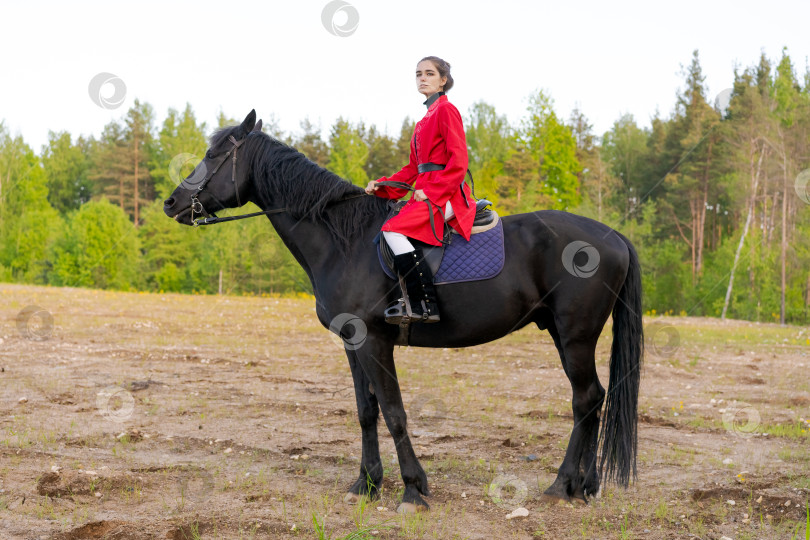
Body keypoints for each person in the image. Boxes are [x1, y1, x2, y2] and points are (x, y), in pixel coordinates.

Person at [366, 56, 475, 324]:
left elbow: (459, 163)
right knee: (391, 227)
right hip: (426, 194)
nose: (422, 78)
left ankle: (424, 304)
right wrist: (382, 185)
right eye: (418, 74)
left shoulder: (446, 111)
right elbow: (413, 170)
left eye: (429, 73)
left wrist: (432, 191)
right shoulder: (422, 122)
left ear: (443, 80)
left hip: (447, 195)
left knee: (392, 231)